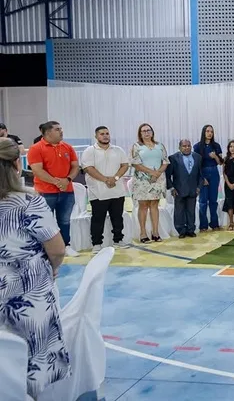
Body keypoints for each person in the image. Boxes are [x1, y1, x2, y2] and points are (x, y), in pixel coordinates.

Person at [0, 138, 70, 398]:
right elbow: (57, 248)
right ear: (17, 165)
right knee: (34, 351)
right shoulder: (29, 203)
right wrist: (52, 269)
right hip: (28, 290)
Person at [27, 120, 80, 257]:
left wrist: (67, 180)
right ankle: (45, 249)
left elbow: (75, 166)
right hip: (45, 192)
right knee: (45, 221)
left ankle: (65, 246)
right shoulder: (36, 148)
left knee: (65, 220)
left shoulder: (68, 147)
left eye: (61, 129)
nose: (61, 131)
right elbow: (37, 170)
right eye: (57, 129)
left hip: (66, 191)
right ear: (48, 132)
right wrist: (57, 182)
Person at [80, 126, 130, 253]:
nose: (105, 136)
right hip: (98, 191)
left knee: (117, 217)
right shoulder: (90, 151)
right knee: (98, 218)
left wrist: (115, 178)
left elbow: (125, 165)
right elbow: (88, 168)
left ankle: (118, 239)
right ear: (96, 136)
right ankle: (97, 243)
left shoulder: (118, 150)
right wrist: (105, 180)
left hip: (117, 190)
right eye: (102, 134)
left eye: (107, 133)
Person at [130, 123, 169, 244]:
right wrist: (151, 172)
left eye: (148, 130)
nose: (146, 133)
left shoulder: (160, 146)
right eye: (144, 131)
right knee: (143, 205)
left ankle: (155, 232)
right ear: (140, 133)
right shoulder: (137, 146)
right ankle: (143, 233)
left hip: (157, 179)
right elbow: (135, 163)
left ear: (152, 132)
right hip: (142, 180)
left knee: (154, 205)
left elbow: (165, 161)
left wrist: (157, 173)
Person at [166, 140, 202, 239]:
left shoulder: (198, 157)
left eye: (188, 146)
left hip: (193, 190)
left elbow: (201, 174)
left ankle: (191, 230)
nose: (186, 148)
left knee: (191, 211)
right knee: (179, 211)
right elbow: (168, 175)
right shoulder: (173, 158)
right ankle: (181, 230)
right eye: (184, 146)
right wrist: (172, 188)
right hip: (179, 190)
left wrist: (199, 187)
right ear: (180, 147)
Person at [194, 124, 223, 232]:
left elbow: (220, 163)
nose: (210, 133)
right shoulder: (197, 147)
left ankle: (214, 224)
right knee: (202, 201)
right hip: (203, 173)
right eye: (207, 131)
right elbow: (196, 165)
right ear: (203, 132)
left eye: (211, 131)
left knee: (213, 200)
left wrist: (215, 156)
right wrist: (201, 178)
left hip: (214, 172)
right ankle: (203, 226)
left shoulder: (216, 145)